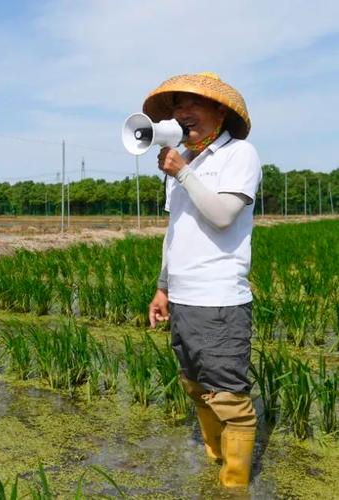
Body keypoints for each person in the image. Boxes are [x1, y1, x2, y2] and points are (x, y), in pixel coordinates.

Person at [145, 72, 261, 489]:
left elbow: (222, 215)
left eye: (193, 104)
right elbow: (175, 230)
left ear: (220, 111)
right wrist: (163, 287)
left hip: (219, 300)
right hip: (184, 299)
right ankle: (215, 457)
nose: (181, 113)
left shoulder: (240, 155)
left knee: (229, 396)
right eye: (176, 106)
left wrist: (181, 172)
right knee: (196, 386)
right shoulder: (184, 163)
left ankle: (233, 485)